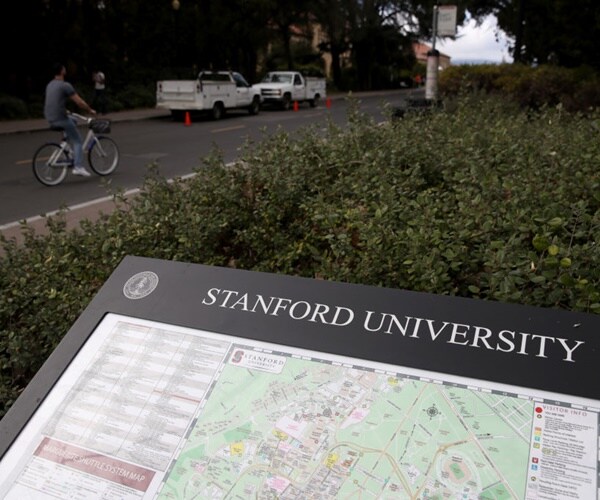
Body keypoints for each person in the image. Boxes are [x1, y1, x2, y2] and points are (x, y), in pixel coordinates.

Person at [44, 63, 96, 177]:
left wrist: (66, 110)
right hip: (60, 119)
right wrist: (89, 110)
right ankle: (78, 167)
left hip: (50, 117)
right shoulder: (65, 85)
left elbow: (53, 102)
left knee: (73, 120)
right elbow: (79, 102)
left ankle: (66, 144)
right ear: (62, 71)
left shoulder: (50, 85)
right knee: (78, 140)